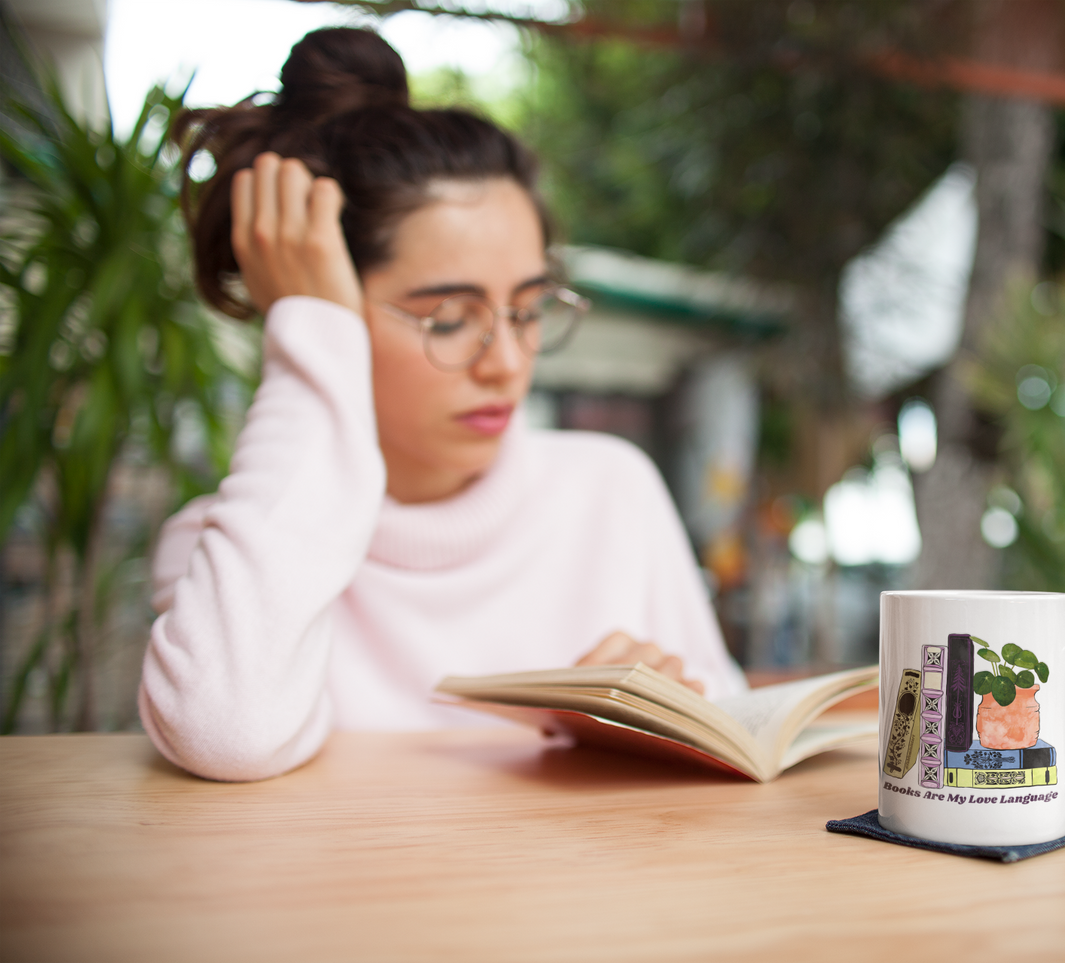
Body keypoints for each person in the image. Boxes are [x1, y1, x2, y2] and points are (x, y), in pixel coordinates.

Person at [140, 26, 746, 782]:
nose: (506, 363)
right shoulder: (226, 554)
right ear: (327, 311)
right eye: (449, 319)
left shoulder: (608, 491)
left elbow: (734, 731)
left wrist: (659, 720)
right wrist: (306, 332)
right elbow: (224, 732)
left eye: (527, 309)